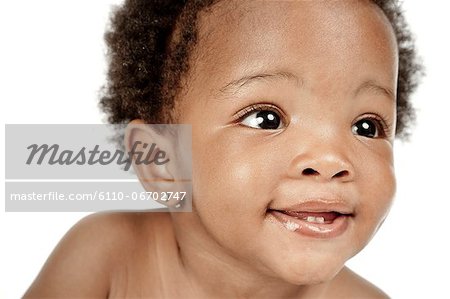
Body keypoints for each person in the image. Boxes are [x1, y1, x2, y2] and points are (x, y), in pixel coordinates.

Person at [24, 0, 422, 297]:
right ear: (163, 161)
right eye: (265, 118)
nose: (331, 160)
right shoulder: (108, 256)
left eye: (366, 126)